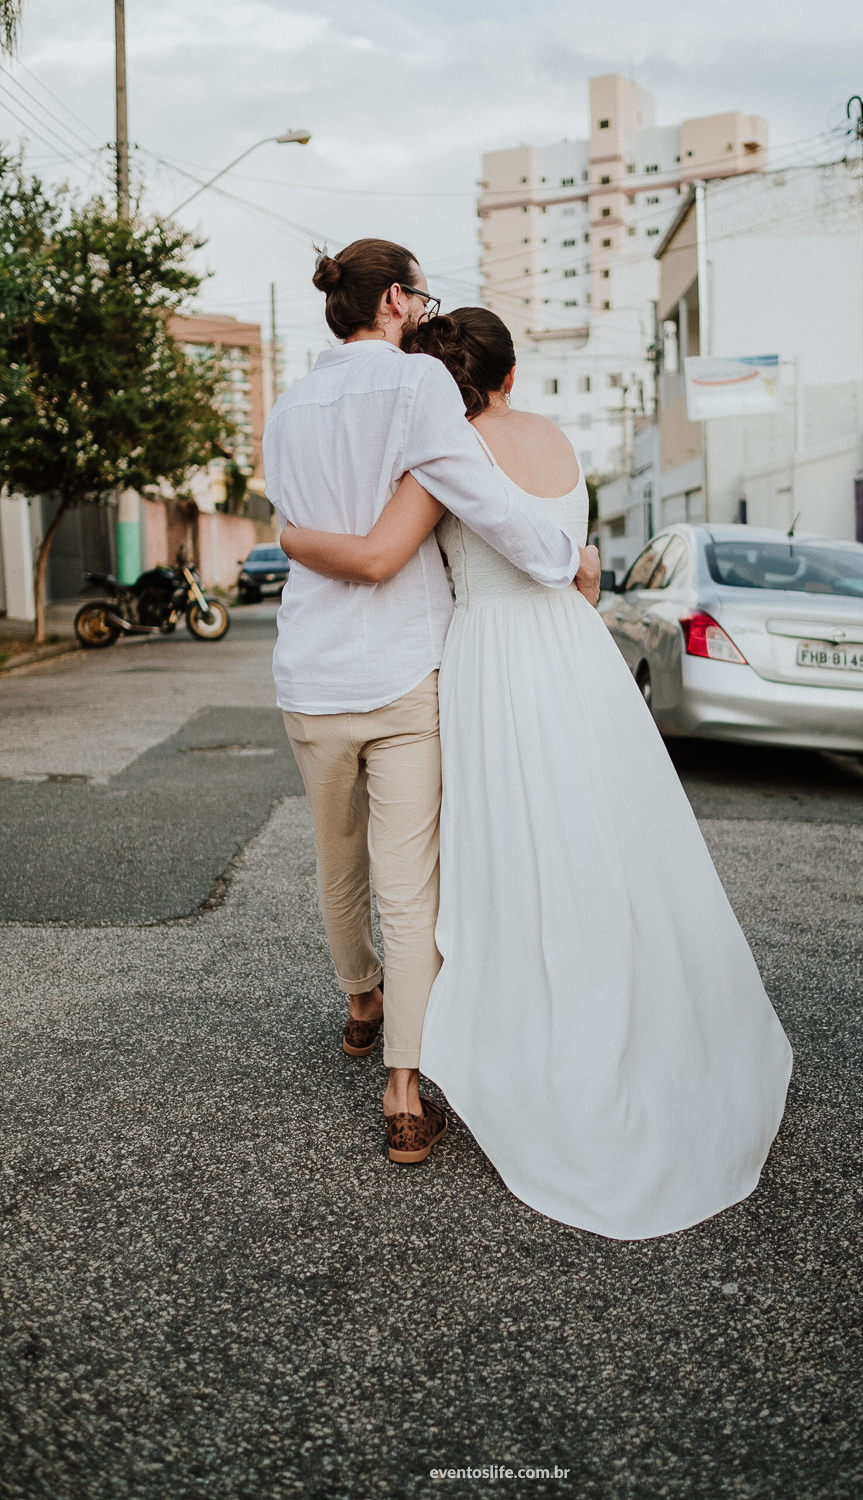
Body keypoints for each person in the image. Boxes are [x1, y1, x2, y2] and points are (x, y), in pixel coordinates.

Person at [281, 306, 793, 1241]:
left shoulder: (444, 455)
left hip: (494, 667)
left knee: (507, 852)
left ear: (443, 384)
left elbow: (384, 556)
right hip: (576, 658)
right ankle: (653, 1018)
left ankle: (534, 1039)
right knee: (603, 837)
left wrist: (293, 534)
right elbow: (575, 567)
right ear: (512, 375)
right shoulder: (557, 440)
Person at [262, 242, 601, 1167]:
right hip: (405, 673)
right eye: (421, 295)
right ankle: (404, 1095)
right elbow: (482, 497)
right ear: (398, 302)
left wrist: (294, 538)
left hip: (311, 675)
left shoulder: (287, 405)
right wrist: (564, 557)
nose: (426, 310)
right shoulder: (418, 390)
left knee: (338, 862)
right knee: (409, 887)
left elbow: (290, 520)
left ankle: (360, 1000)